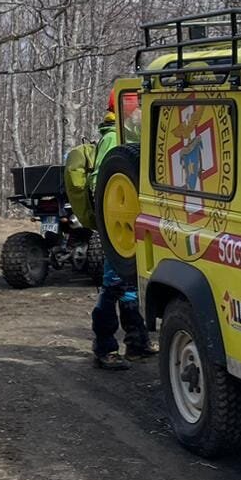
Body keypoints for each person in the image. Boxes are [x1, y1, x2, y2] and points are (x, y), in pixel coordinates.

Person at [87, 104, 151, 369]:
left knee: (131, 286)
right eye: (138, 107)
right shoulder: (115, 138)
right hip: (117, 226)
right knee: (113, 286)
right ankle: (105, 349)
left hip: (131, 223)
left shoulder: (131, 134)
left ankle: (136, 343)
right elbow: (100, 182)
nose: (140, 113)